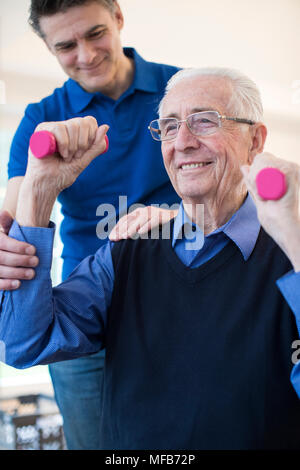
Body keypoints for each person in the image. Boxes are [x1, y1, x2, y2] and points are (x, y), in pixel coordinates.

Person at [1, 66, 300, 449]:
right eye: (169, 126)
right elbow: (24, 343)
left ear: (255, 140)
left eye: (205, 121)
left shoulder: (288, 253)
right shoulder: (127, 248)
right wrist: (39, 192)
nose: (183, 142)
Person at [0, 0, 180, 449]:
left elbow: (238, 190)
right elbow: (14, 211)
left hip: (181, 297)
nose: (85, 54)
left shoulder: (182, 90)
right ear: (48, 47)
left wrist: (181, 216)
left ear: (118, 17)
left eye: (95, 33)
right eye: (65, 45)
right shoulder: (41, 117)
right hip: (84, 311)